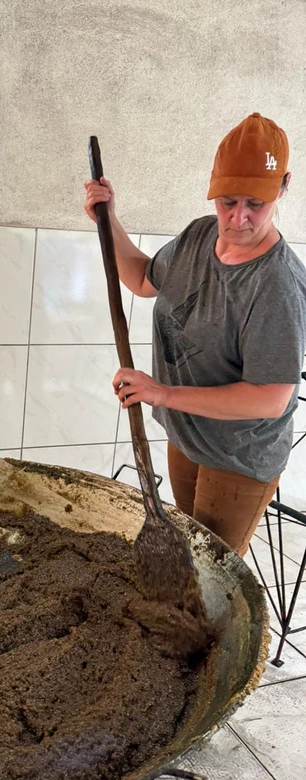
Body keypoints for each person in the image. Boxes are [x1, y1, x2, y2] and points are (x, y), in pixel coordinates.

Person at [83, 112, 306, 556]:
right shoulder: (199, 237)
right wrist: (107, 221)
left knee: (214, 574)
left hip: (239, 459)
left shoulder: (276, 285)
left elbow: (269, 398)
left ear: (282, 188)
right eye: (227, 201)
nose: (239, 218)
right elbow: (144, 278)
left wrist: (162, 393)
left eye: (255, 204)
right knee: (187, 551)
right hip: (186, 438)